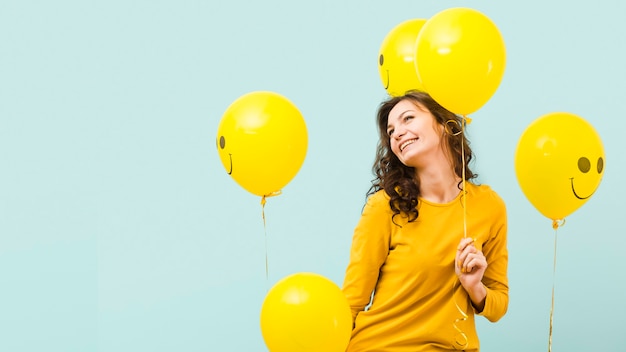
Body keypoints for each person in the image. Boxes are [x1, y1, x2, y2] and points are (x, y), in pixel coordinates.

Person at [342, 91, 508, 351]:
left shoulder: (489, 206)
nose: (396, 133)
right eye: (391, 130)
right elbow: (352, 300)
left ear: (445, 125)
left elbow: (499, 304)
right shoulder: (385, 206)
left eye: (408, 118)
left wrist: (475, 287)